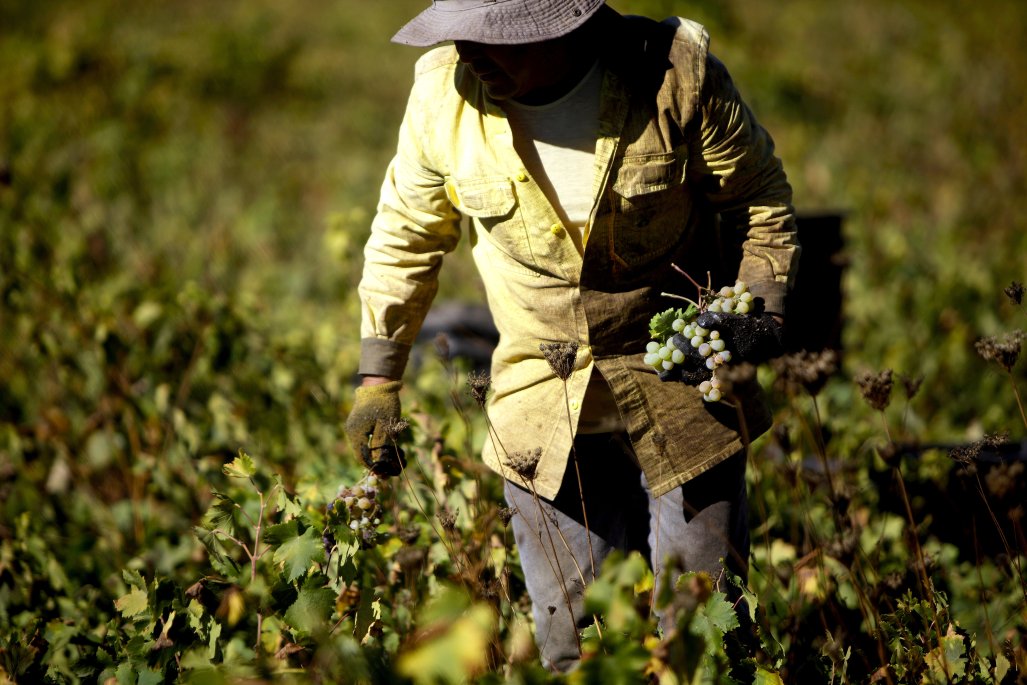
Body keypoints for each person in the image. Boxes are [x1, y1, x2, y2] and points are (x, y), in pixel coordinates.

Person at [344, 0, 799, 673]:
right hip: (541, 407)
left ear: (568, 24)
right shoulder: (443, 91)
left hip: (685, 399)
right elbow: (404, 238)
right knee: (573, 651)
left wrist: (756, 308)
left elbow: (760, 203)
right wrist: (379, 377)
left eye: (497, 39)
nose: (473, 54)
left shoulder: (675, 76)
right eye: (462, 35)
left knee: (702, 638)